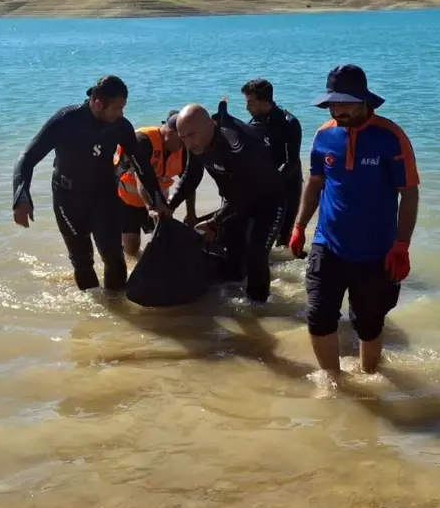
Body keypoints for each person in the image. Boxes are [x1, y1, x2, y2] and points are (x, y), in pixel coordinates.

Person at [288, 64, 419, 378]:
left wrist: (401, 245)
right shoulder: (324, 135)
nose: (336, 109)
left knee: (369, 324)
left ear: (364, 101)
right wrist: (299, 226)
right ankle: (333, 381)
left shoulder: (391, 137)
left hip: (376, 250)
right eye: (332, 102)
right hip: (327, 244)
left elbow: (409, 194)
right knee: (318, 316)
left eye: (344, 102)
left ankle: (369, 376)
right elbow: (314, 184)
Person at [11, 75, 168, 292]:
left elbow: (141, 165)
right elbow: (27, 157)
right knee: (82, 261)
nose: (121, 113)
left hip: (104, 197)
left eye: (123, 107)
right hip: (68, 199)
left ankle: (116, 308)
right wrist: (21, 196)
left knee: (114, 259)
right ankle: (95, 314)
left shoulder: (120, 126)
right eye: (117, 108)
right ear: (97, 104)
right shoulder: (65, 120)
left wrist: (156, 199)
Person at [167, 101, 285, 304]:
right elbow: (191, 177)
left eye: (191, 135)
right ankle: (233, 298)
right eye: (183, 137)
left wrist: (215, 221)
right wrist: (168, 206)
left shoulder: (235, 142)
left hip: (268, 202)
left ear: (209, 125)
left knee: (255, 256)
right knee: (232, 255)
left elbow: (247, 192)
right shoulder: (195, 143)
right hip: (235, 201)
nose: (187, 143)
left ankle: (259, 308)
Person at [113, 110, 197, 257]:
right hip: (127, 200)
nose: (184, 145)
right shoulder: (142, 140)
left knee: (166, 242)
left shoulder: (182, 148)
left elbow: (189, 181)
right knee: (131, 249)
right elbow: (142, 177)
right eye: (182, 141)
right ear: (170, 134)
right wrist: (151, 207)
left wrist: (191, 213)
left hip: (159, 200)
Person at [241, 79, 304, 248]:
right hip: (264, 187)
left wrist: (268, 185)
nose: (247, 108)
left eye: (251, 103)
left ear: (264, 101)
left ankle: (286, 271)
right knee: (259, 234)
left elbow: (290, 162)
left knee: (283, 237)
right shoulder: (251, 125)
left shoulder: (288, 123)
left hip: (288, 184)